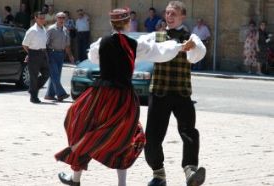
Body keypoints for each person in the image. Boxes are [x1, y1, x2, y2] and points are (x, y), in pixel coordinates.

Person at [55, 7, 198, 186]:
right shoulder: (134, 45)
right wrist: (179, 46)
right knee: (124, 138)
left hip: (100, 95)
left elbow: (93, 57)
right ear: (128, 23)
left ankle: (75, 179)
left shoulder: (102, 43)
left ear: (111, 24)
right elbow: (159, 52)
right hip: (123, 97)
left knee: (83, 128)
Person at [144, 1, 206, 186]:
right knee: (152, 137)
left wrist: (192, 46)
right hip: (159, 92)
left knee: (189, 133)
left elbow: (198, 53)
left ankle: (190, 171)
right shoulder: (157, 36)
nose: (169, 17)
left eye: (173, 14)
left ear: (182, 16)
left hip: (181, 93)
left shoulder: (191, 37)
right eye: (167, 13)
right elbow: (142, 49)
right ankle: (158, 174)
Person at [45, 12, 74, 102]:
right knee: (55, 75)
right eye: (60, 17)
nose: (61, 19)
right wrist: (46, 56)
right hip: (51, 53)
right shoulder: (51, 29)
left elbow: (67, 45)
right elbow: (45, 43)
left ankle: (49, 95)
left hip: (61, 54)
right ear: (56, 18)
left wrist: (70, 56)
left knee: (56, 75)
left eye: (63, 17)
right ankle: (61, 94)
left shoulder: (65, 30)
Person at [22, 11, 50, 104]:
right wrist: (30, 53)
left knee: (47, 73)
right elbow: (25, 44)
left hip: (43, 53)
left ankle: (32, 89)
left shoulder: (43, 29)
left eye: (43, 18)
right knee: (34, 76)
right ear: (36, 18)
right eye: (40, 18)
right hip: (34, 53)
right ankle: (34, 97)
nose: (42, 20)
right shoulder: (32, 30)